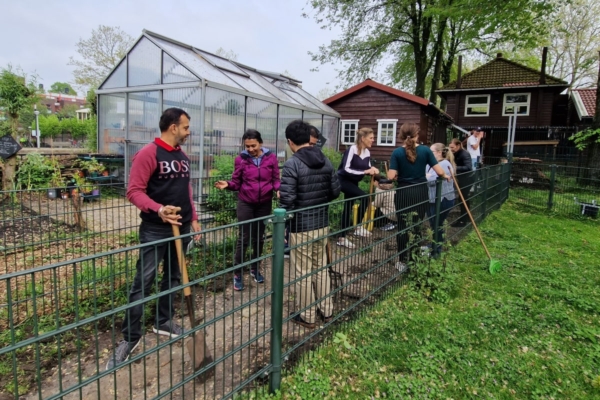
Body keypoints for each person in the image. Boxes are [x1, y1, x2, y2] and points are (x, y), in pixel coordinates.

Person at [106, 107, 201, 370]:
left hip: (180, 228)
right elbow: (134, 191)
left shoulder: (181, 156)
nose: (188, 132)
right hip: (155, 229)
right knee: (143, 282)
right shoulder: (148, 154)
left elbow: (186, 188)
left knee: (172, 277)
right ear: (173, 127)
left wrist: (192, 216)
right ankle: (130, 337)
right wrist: (159, 209)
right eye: (185, 127)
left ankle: (164, 321)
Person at [279, 120, 340, 329]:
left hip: (301, 226)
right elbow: (334, 192)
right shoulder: (325, 160)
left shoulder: (292, 164)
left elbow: (286, 201)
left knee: (303, 272)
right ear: (308, 138)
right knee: (320, 267)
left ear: (290, 141)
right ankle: (327, 310)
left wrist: (281, 198)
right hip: (322, 223)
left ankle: (308, 316)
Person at [215, 130, 280, 291]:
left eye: (253, 145)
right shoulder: (241, 160)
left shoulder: (271, 158)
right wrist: (228, 185)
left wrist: (278, 189)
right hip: (246, 202)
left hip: (264, 203)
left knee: (259, 238)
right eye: (247, 146)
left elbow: (275, 179)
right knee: (243, 238)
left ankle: (254, 268)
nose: (250, 149)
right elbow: (236, 182)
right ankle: (237, 273)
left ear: (261, 143)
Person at [387, 123, 449, 272]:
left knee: (402, 227)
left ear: (401, 135)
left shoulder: (397, 152)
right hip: (421, 193)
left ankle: (402, 261)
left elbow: (390, 176)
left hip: (404, 193)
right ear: (417, 135)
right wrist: (445, 175)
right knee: (416, 226)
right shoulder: (425, 150)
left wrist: (397, 173)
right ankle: (414, 259)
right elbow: (439, 171)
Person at [336, 127, 380, 249]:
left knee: (348, 206)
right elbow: (346, 169)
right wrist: (366, 171)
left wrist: (377, 173)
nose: (373, 140)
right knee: (366, 198)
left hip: (353, 182)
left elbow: (369, 169)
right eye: (371, 138)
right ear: (363, 138)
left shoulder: (367, 152)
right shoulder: (352, 149)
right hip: (343, 180)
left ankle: (342, 237)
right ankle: (358, 228)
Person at [284, 126, 319, 258]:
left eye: (314, 145)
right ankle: (287, 248)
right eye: (310, 143)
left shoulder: (317, 156)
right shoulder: (292, 153)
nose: (311, 147)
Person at [426, 143, 456, 256]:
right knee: (434, 223)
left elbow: (432, 181)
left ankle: (436, 250)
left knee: (437, 224)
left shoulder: (444, 164)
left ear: (439, 152)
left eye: (431, 152)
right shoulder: (431, 164)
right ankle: (434, 244)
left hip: (443, 199)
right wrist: (427, 176)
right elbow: (427, 177)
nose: (429, 154)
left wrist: (427, 176)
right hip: (432, 199)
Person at [449, 138, 473, 227]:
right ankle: (467, 217)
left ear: (458, 146)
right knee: (463, 198)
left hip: (467, 178)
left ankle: (463, 220)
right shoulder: (455, 153)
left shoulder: (464, 154)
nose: (451, 149)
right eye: (450, 147)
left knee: (463, 198)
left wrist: (454, 168)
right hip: (461, 178)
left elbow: (468, 167)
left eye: (452, 147)